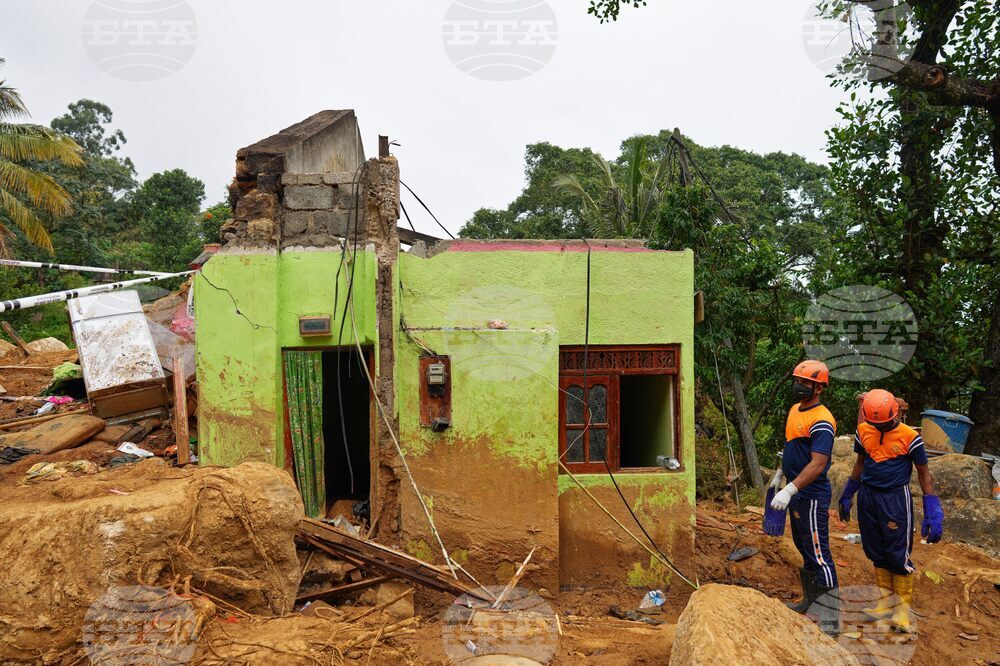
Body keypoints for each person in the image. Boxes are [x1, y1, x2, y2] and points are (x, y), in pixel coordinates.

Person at [838, 388, 943, 634]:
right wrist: (847, 492)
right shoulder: (863, 431)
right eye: (877, 424)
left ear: (895, 415)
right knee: (876, 549)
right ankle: (885, 603)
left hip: (895, 498)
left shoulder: (910, 437)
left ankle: (902, 611)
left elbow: (924, 473)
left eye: (885, 423)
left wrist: (932, 509)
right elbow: (860, 463)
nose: (881, 427)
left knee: (897, 552)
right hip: (868, 495)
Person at [770, 359, 838, 634]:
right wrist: (779, 474)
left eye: (806, 383)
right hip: (796, 491)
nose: (800, 386)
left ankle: (833, 618)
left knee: (819, 553)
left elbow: (818, 463)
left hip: (811, 495)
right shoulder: (794, 411)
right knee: (804, 547)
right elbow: (791, 448)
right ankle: (810, 601)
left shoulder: (823, 420)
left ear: (819, 387)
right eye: (798, 381)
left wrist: (791, 488)